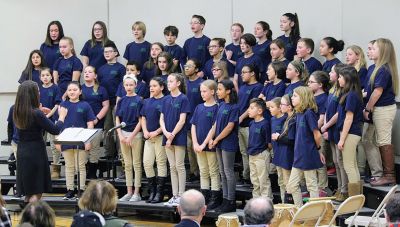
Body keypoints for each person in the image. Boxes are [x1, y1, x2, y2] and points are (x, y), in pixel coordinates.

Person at [14, 81, 66, 203]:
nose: (39, 92)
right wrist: (62, 117)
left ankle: (27, 217)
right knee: (36, 191)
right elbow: (55, 129)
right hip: (35, 152)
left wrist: (42, 112)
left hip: (22, 151)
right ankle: (34, 217)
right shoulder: (36, 113)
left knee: (28, 191)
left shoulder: (17, 111)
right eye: (37, 91)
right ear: (32, 94)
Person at [365, 38, 398, 186]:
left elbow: (377, 92)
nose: (369, 51)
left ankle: (389, 175)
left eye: (373, 48)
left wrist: (367, 108)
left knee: (383, 141)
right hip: (376, 109)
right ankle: (378, 173)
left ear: (383, 51)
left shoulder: (384, 69)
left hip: (383, 109)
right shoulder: (374, 68)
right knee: (369, 139)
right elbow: (370, 91)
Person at [286, 86, 324, 207]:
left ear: (303, 98)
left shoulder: (309, 113)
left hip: (308, 154)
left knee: (311, 184)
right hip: (299, 155)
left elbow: (317, 135)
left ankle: (314, 213)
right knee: (291, 185)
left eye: (295, 96)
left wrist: (318, 150)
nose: (292, 98)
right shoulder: (299, 114)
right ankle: (299, 210)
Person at [58, 82, 95, 200]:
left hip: (81, 141)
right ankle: (70, 189)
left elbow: (90, 124)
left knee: (80, 166)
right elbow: (58, 124)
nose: (72, 92)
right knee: (69, 166)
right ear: (67, 92)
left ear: (80, 91)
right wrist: (58, 141)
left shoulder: (85, 105)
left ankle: (81, 189)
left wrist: (88, 140)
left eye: (75, 89)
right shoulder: (63, 105)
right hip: (66, 140)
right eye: (69, 90)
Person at [160, 73, 191, 206]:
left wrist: (172, 134)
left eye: (171, 81)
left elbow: (182, 120)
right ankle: (174, 195)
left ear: (178, 83)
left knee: (179, 166)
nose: (168, 83)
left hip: (178, 135)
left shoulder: (183, 99)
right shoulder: (165, 99)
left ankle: (181, 196)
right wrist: (166, 133)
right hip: (167, 135)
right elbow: (161, 118)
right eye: (168, 81)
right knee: (172, 166)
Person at [209, 79, 239, 213]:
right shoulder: (220, 105)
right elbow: (215, 124)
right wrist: (211, 138)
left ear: (228, 91)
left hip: (228, 142)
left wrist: (216, 139)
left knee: (228, 171)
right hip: (218, 142)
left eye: (220, 89)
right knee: (222, 172)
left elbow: (229, 127)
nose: (217, 92)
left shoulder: (234, 107)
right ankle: (225, 199)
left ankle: (231, 200)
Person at [191, 80, 221, 209]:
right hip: (198, 146)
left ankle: (215, 198)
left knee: (213, 171)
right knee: (203, 171)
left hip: (209, 146)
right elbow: (193, 125)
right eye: (201, 91)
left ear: (213, 92)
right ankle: (205, 197)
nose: (202, 94)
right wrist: (195, 143)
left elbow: (214, 127)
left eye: (204, 91)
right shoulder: (199, 107)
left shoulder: (217, 107)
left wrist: (203, 144)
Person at [321, 63, 348, 201]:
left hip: (337, 128)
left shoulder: (343, 91)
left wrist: (327, 126)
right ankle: (339, 187)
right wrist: (325, 125)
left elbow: (339, 113)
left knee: (341, 161)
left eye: (332, 72)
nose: (330, 74)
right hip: (330, 129)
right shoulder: (332, 90)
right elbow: (326, 110)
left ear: (339, 75)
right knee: (336, 161)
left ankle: (345, 190)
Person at [336, 66, 364, 196]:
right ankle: (358, 196)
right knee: (352, 164)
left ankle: (354, 199)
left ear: (347, 79)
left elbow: (349, 118)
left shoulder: (352, 95)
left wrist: (342, 139)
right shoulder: (349, 93)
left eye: (340, 77)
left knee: (349, 165)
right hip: (351, 133)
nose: (338, 79)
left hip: (351, 133)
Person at [116, 75, 144, 202]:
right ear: (123, 85)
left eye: (131, 85)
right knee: (127, 164)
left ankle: (137, 193)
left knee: (136, 164)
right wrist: (121, 135)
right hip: (123, 135)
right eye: (126, 85)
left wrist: (131, 136)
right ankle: (129, 191)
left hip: (135, 135)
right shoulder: (121, 100)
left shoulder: (139, 100)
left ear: (135, 85)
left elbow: (140, 121)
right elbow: (118, 118)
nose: (128, 87)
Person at [141, 77, 167, 203]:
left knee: (161, 163)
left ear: (161, 87)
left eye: (155, 85)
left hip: (160, 137)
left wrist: (157, 132)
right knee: (147, 163)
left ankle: (159, 193)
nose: (151, 88)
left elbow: (167, 120)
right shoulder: (146, 101)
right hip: (148, 138)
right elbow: (143, 118)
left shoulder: (166, 101)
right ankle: (152, 190)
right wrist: (145, 131)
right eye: (150, 86)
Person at [81, 66, 110, 179]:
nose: (87, 74)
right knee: (83, 149)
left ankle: (92, 173)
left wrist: (96, 118)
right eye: (85, 72)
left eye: (90, 72)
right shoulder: (80, 89)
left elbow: (106, 106)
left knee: (94, 149)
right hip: (82, 125)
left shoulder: (101, 89)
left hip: (96, 123)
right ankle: (83, 172)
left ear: (95, 75)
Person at [237, 64, 263, 185]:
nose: (242, 74)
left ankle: (254, 179)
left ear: (252, 73)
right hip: (240, 124)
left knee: (251, 151)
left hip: (248, 124)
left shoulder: (258, 87)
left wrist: (241, 117)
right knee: (243, 151)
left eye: (244, 72)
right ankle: (246, 175)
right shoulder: (242, 86)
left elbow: (253, 106)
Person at [308, 71, 330, 197]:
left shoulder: (323, 98)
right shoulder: (311, 96)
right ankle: (314, 187)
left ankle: (322, 187)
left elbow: (322, 118)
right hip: (309, 132)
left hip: (317, 132)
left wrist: (314, 130)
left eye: (311, 82)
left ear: (320, 84)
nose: (308, 84)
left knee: (320, 161)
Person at [38, 67, 62, 179]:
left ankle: (56, 169)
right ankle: (41, 169)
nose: (45, 77)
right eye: (43, 75)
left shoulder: (55, 88)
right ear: (40, 78)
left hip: (52, 120)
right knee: (40, 145)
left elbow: (57, 104)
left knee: (54, 145)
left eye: (47, 75)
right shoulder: (38, 89)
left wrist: (48, 115)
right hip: (39, 121)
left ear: (51, 76)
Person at [272, 95, 295, 202]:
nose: (280, 106)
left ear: (289, 107)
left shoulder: (293, 119)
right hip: (280, 153)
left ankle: (289, 206)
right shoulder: (287, 118)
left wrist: (278, 138)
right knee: (281, 181)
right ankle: (283, 204)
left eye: (282, 104)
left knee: (287, 182)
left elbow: (291, 139)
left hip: (287, 154)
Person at [247, 98, 272, 198]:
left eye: (252, 108)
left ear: (260, 111)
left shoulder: (265, 124)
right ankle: (256, 203)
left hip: (261, 154)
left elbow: (269, 143)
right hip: (252, 154)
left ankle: (267, 203)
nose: (249, 110)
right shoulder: (251, 123)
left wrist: (265, 153)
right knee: (255, 181)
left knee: (263, 181)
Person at [185, 58, 204, 182]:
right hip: (185, 121)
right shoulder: (183, 83)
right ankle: (193, 172)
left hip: (198, 121)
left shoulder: (201, 83)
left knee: (198, 148)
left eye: (190, 66)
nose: (186, 68)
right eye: (186, 66)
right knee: (189, 148)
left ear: (196, 69)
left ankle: (202, 173)